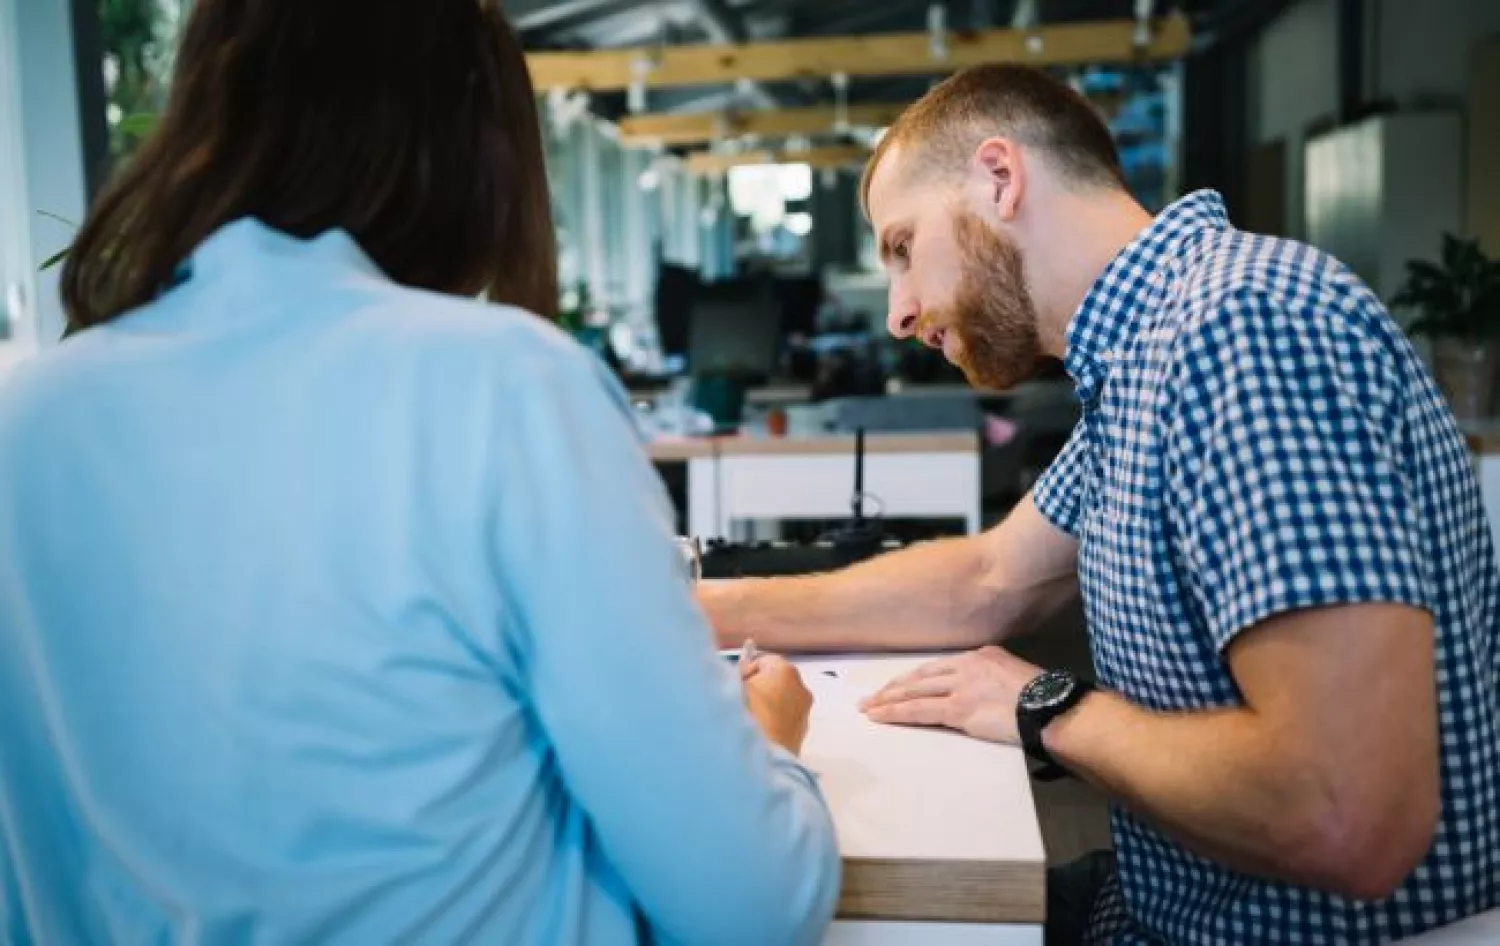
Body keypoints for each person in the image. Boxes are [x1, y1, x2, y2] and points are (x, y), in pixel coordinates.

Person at [0, 2, 840, 943]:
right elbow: (752, 907)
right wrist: (773, 747)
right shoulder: (507, 384)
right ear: (475, 144)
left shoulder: (27, 426)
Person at [699, 64, 1500, 945]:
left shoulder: (1239, 327)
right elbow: (991, 578)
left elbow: (1348, 813)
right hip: (1172, 901)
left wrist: (1047, 710)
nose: (898, 312)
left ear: (1000, 178)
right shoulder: (1144, 353)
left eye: (902, 247)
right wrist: (703, 610)